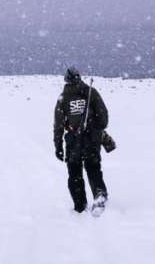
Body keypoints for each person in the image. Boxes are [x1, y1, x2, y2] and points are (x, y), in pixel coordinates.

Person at [53, 67, 109, 213]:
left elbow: (58, 125)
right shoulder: (91, 92)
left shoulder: (63, 98)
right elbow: (104, 118)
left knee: (74, 173)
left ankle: (79, 206)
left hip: (73, 142)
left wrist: (58, 146)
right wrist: (95, 130)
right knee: (93, 168)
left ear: (66, 79)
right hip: (92, 140)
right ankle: (100, 195)